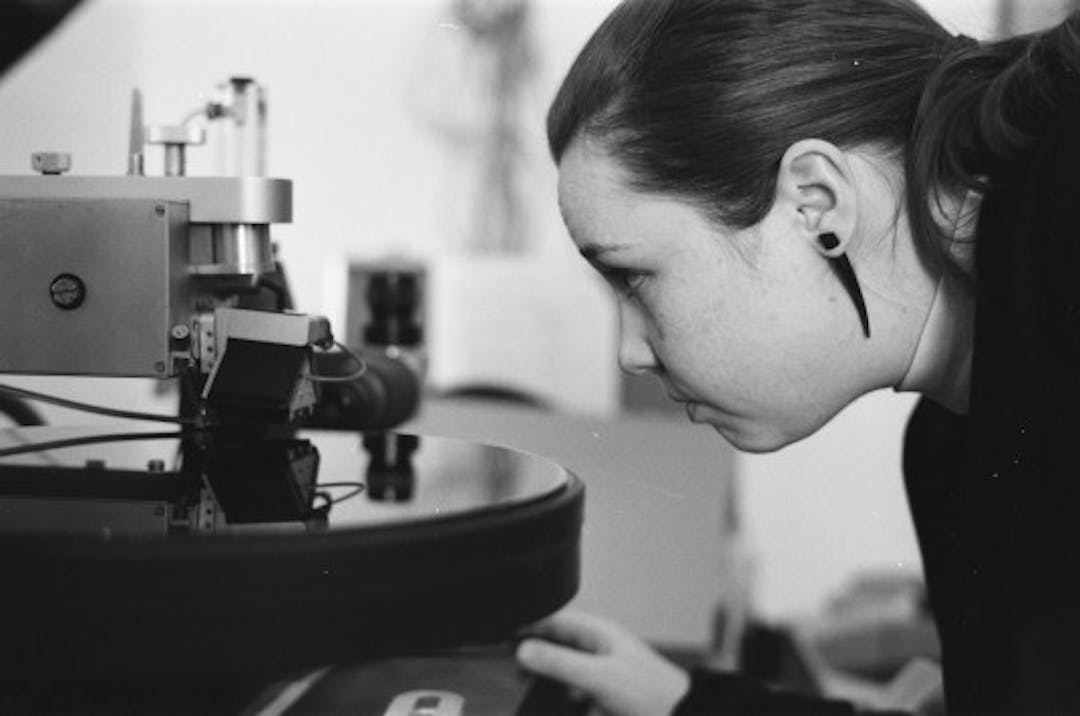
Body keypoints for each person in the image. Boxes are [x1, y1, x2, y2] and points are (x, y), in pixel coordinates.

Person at [513, 0, 1080, 713]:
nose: (632, 353)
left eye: (635, 277)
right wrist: (687, 702)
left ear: (816, 201)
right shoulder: (947, 451)